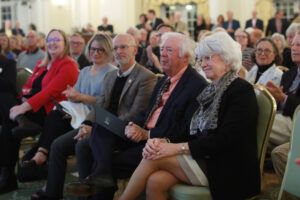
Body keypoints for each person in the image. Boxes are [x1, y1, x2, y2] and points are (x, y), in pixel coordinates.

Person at [119, 31, 260, 200]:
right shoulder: (210, 90)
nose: (203, 64)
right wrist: (165, 141)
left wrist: (175, 147)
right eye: (202, 59)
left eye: (209, 58)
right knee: (155, 181)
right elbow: (196, 133)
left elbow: (225, 140)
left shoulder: (241, 90)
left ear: (226, 58)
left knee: (152, 156)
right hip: (206, 157)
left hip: (229, 166)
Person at [66, 31, 207, 199]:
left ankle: (101, 175)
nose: (161, 54)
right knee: (102, 123)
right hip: (140, 134)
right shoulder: (164, 80)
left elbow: (184, 129)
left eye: (168, 50)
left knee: (105, 161)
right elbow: (146, 113)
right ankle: (101, 174)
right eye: (162, 49)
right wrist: (134, 126)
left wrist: (147, 134)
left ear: (185, 57)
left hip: (159, 142)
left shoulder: (196, 85)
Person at [30, 33, 156, 200]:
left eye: (123, 47)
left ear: (135, 50)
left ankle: (101, 176)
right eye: (116, 48)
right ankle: (87, 189)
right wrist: (87, 123)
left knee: (85, 144)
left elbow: (137, 113)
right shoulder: (111, 76)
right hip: (102, 125)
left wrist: (101, 124)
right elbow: (101, 105)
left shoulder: (146, 76)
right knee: (64, 144)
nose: (119, 51)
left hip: (125, 128)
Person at [18, 34, 117, 181]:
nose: (96, 53)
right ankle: (41, 155)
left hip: (96, 119)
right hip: (78, 115)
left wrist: (80, 97)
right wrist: (71, 95)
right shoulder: (84, 71)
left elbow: (106, 103)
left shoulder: (112, 72)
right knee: (54, 117)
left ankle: (41, 158)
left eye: (101, 50)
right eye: (93, 49)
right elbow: (75, 97)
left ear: (108, 51)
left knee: (56, 136)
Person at [0, 29, 79, 194]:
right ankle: (7, 174)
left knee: (9, 118)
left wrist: (23, 107)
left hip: (53, 114)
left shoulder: (68, 65)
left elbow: (48, 92)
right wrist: (22, 99)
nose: (53, 43)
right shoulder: (43, 64)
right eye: (50, 40)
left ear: (65, 44)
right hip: (35, 108)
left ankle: (8, 176)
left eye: (57, 39)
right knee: (8, 121)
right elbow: (28, 86)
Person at [270, 30, 300, 182]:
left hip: (295, 123)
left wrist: (283, 98)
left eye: (299, 45)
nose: (294, 48)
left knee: (252, 120)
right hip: (282, 117)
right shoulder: (289, 74)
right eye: (293, 44)